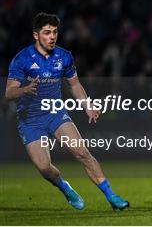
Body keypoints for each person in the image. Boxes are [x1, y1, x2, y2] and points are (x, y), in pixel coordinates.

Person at [5, 13, 129, 211]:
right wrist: (25, 89)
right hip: (30, 121)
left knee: (82, 152)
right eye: (47, 33)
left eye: (54, 32)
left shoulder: (64, 56)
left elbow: (75, 85)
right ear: (36, 35)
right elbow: (9, 92)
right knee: (44, 167)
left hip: (55, 113)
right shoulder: (22, 59)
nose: (52, 36)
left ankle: (112, 196)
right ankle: (65, 187)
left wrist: (87, 105)